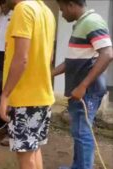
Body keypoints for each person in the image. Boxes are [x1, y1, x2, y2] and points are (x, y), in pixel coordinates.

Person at [53, 0, 113, 168]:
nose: (62, 13)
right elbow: (72, 62)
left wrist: (83, 86)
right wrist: (48, 74)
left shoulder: (92, 21)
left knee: (82, 132)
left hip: (87, 91)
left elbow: (107, 54)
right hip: (79, 90)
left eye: (62, 9)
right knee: (78, 131)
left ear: (71, 4)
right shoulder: (81, 24)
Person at [0, 0, 56, 169]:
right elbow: (49, 57)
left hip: (25, 97)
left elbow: (21, 58)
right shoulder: (46, 12)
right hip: (43, 95)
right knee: (34, 149)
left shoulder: (23, 9)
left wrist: (5, 95)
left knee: (25, 157)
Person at [0, 0, 13, 81]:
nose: (3, 8)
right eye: (2, 6)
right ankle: (0, 89)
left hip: (8, 49)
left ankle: (6, 88)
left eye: (5, 6)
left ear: (8, 5)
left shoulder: (14, 15)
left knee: (7, 69)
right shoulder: (0, 18)